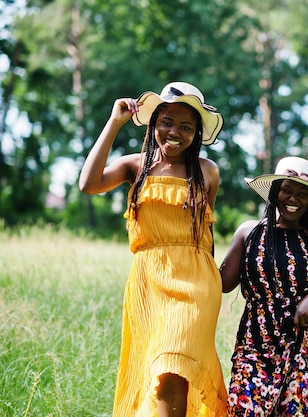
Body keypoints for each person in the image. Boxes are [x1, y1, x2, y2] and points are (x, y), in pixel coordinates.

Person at [79, 81, 228, 417]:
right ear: (153, 124)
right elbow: (88, 184)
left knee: (174, 365)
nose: (174, 132)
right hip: (149, 283)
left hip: (197, 283)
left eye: (186, 126)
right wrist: (114, 122)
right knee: (158, 373)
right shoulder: (136, 165)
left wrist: (216, 283)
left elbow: (206, 233)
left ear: (197, 133)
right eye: (166, 122)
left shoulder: (207, 172)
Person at [219, 156, 308, 416]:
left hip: (304, 341)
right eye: (287, 189)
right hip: (255, 341)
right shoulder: (248, 233)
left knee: (295, 410)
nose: (293, 198)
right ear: (275, 191)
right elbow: (223, 284)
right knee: (245, 409)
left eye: (302, 194)